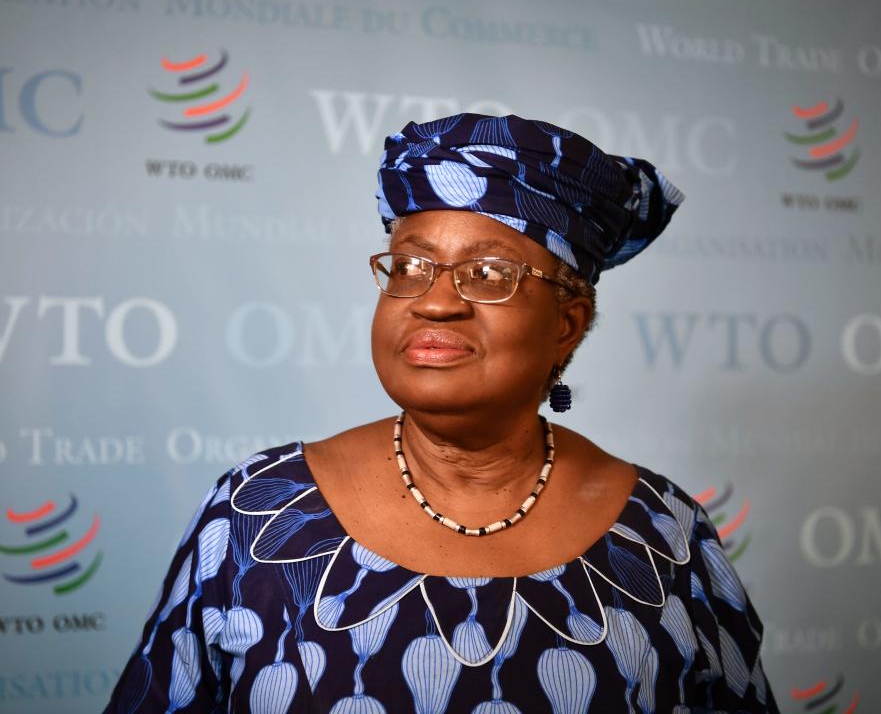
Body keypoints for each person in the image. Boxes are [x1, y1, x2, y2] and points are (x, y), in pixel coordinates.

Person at [106, 113, 778, 713]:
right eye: (409, 267)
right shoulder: (259, 514)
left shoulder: (664, 535)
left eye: (488, 273)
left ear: (567, 324)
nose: (434, 301)